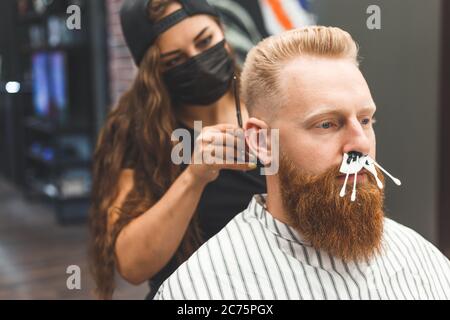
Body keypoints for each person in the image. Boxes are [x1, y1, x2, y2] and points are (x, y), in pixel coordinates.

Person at [153, 26, 450, 300]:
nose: (360, 144)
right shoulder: (203, 290)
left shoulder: (423, 261)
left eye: (365, 120)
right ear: (262, 142)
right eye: (327, 124)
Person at [89, 0, 266, 299]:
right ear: (152, 72)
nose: (197, 60)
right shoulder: (137, 131)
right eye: (174, 60)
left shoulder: (269, 103)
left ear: (222, 31)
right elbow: (132, 265)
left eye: (205, 41)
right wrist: (193, 178)